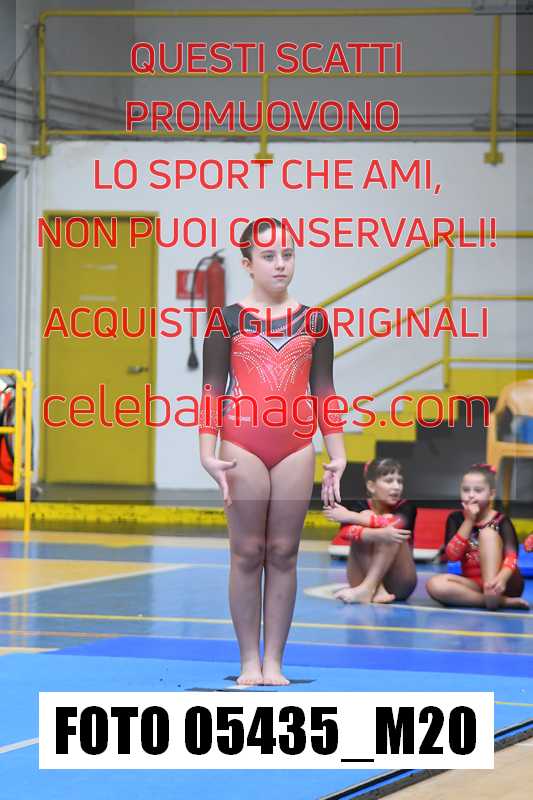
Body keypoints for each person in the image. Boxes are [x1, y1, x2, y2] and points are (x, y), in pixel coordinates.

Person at [199, 218, 346, 685]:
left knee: (284, 552)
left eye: (287, 254)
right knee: (247, 551)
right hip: (241, 443)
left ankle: (275, 662)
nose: (280, 264)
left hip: (295, 447)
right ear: (247, 264)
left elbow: (324, 389)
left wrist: (337, 452)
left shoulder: (315, 321)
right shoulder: (226, 320)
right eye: (268, 256)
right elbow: (212, 388)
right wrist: (206, 451)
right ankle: (249, 661)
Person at [426, 464, 528, 610]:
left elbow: (512, 556)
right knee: (434, 584)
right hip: (474, 584)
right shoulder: (456, 519)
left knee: (487, 533)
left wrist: (502, 579)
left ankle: (493, 594)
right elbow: (452, 556)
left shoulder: (501, 520)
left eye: (478, 490)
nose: (471, 495)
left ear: (491, 494)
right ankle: (498, 601)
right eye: (466, 490)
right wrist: (469, 521)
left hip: (505, 582)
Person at [323, 457, 417, 604]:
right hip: (360, 577)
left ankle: (369, 587)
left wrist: (352, 517)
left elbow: (394, 525)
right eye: (389, 481)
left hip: (399, 582)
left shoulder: (407, 506)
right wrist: (376, 532)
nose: (397, 486)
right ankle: (375, 589)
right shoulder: (360, 505)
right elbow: (344, 534)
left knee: (388, 527)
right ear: (371, 486)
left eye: (399, 481)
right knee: (367, 516)